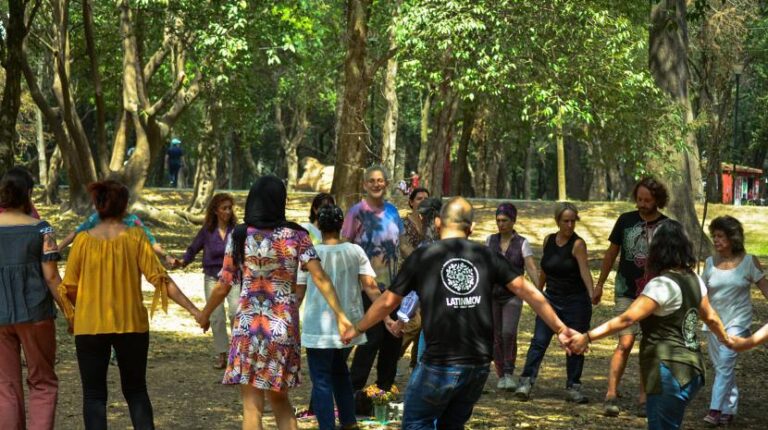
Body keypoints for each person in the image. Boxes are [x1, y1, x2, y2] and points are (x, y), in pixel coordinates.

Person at [340, 197, 580, 429]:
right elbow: (531, 293)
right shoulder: (487, 256)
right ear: (472, 227)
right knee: (452, 424)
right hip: (477, 366)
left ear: (437, 223)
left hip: (439, 364)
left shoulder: (423, 257)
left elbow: (386, 302)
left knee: (416, 422)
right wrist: (560, 328)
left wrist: (358, 327)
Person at [197, 176, 352, 430]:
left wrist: (204, 314)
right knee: (281, 400)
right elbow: (320, 277)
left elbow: (223, 284)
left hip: (248, 326)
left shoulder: (238, 235)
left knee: (251, 404)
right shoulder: (297, 235)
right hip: (282, 328)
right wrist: (341, 316)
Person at [59, 180, 202, 430]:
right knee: (136, 391)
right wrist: (194, 311)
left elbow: (69, 287)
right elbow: (160, 279)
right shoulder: (135, 237)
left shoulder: (81, 241)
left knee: (94, 396)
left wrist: (76, 316)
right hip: (132, 325)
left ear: (98, 205)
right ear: (124, 206)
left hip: (90, 327)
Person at [568, 219, 731, 430]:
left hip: (669, 371)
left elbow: (627, 319)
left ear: (658, 250)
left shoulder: (661, 285)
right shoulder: (694, 279)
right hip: (693, 370)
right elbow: (711, 317)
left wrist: (587, 337)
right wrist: (726, 339)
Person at [296, 205, 382, 430]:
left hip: (318, 327)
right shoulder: (355, 251)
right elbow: (371, 287)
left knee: (322, 379)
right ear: (341, 224)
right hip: (349, 325)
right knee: (340, 372)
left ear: (319, 226)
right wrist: (388, 315)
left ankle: (328, 426)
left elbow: (299, 292)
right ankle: (349, 421)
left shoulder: (310, 254)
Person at [0, 167, 69, 430]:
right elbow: (52, 278)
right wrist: (69, 311)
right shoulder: (42, 230)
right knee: (43, 382)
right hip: (36, 315)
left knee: (5, 386)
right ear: (28, 194)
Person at [593, 177, 669, 416]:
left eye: (647, 200)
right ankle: (611, 394)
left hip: (655, 294)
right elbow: (611, 253)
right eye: (639, 199)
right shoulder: (625, 221)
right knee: (625, 343)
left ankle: (644, 398)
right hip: (626, 290)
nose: (642, 204)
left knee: (649, 346)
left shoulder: (667, 226)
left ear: (657, 200)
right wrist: (600, 284)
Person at [515, 202, 594, 403]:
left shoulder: (578, 244)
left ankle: (573, 386)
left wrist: (592, 293)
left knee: (575, 344)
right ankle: (525, 381)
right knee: (539, 342)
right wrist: (538, 294)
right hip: (551, 300)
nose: (569, 225)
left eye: (573, 221)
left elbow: (585, 271)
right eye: (565, 221)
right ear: (557, 221)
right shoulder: (549, 240)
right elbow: (544, 270)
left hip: (575, 301)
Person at [341, 165, 404, 402]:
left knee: (393, 339)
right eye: (372, 181)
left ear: (386, 184)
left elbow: (401, 245)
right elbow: (345, 245)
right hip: (365, 287)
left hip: (393, 288)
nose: (377, 184)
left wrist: (422, 257)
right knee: (371, 337)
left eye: (381, 181)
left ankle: (383, 391)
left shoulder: (393, 212)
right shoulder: (356, 212)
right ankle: (352, 390)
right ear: (365, 184)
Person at [700, 216, 768, 425]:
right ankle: (730, 408)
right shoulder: (710, 263)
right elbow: (700, 293)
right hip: (713, 323)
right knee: (722, 366)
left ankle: (714, 411)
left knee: (725, 363)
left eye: (720, 236)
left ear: (732, 237)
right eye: (714, 236)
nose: (716, 240)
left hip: (739, 323)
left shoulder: (749, 261)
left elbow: (765, 289)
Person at [181, 193, 239, 369]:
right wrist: (182, 262)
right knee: (217, 317)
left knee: (235, 313)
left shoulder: (237, 231)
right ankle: (222, 354)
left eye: (230, 208)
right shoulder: (207, 230)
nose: (228, 211)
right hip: (212, 276)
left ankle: (238, 355)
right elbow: (193, 248)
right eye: (224, 208)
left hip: (234, 277)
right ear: (215, 211)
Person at [487, 203, 539, 391]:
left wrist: (538, 290)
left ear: (513, 221)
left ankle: (509, 371)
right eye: (498, 221)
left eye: (505, 220)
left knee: (508, 332)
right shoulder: (490, 241)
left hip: (513, 295)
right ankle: (501, 374)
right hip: (492, 294)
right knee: (495, 335)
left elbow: (531, 267)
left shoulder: (522, 243)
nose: (501, 224)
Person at [58, 212, 180, 268]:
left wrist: (166, 256)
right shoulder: (97, 217)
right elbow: (75, 234)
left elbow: (151, 241)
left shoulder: (133, 220)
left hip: (125, 266)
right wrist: (57, 249)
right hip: (99, 266)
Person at [397, 187, 430, 369]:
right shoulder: (403, 222)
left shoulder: (432, 224)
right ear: (411, 202)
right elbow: (403, 247)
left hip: (428, 279)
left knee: (426, 322)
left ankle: (417, 364)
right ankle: (393, 355)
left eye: (426, 198)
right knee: (412, 323)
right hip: (409, 276)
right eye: (419, 198)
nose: (423, 201)